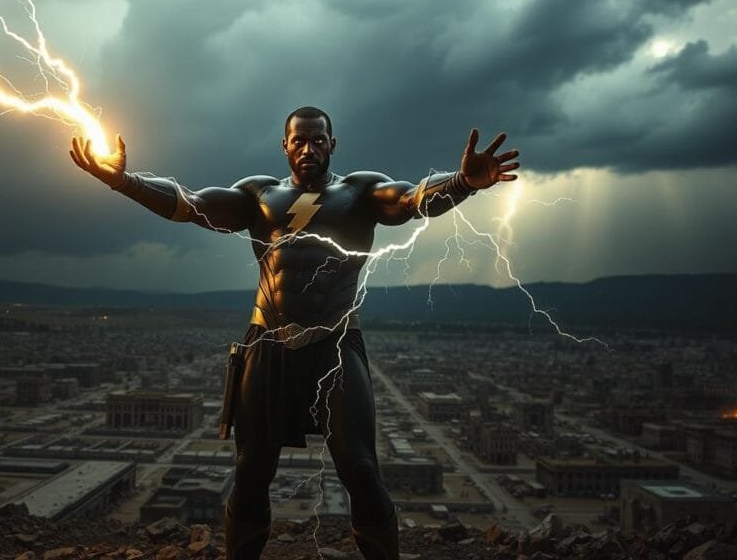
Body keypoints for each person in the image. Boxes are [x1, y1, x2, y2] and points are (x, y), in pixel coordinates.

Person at [69, 107, 519, 560]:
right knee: (250, 470)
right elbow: (191, 204)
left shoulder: (359, 191)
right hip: (267, 342)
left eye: (318, 140)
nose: (309, 148)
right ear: (284, 145)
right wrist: (125, 182)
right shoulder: (258, 195)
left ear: (332, 144)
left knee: (361, 468)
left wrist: (461, 183)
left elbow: (409, 200)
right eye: (299, 140)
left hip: (336, 346)